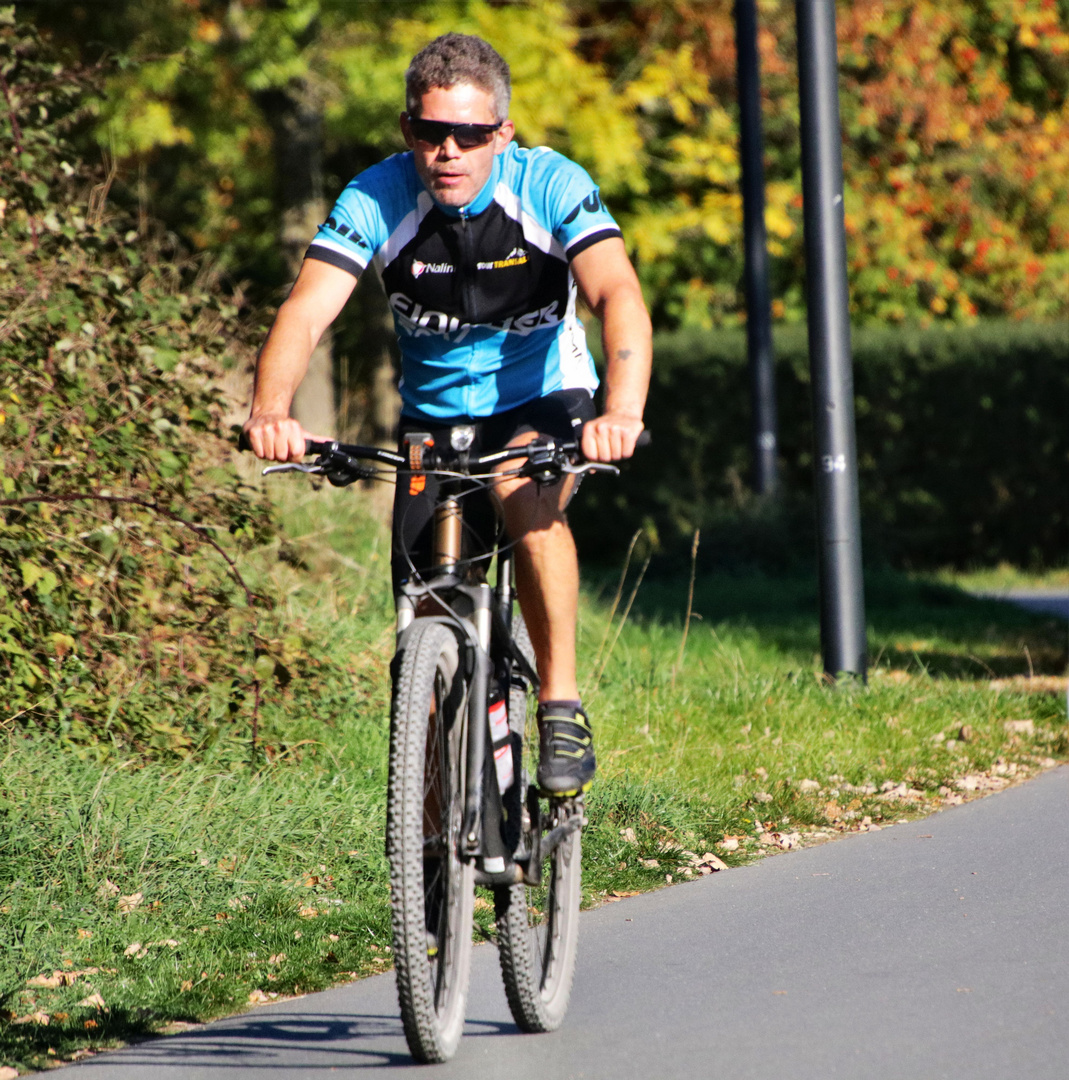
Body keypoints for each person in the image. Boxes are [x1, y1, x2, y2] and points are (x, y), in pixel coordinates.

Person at [244, 33, 651, 796]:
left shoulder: (550, 185)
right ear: (408, 131)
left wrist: (620, 412)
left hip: (543, 400)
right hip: (432, 419)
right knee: (422, 622)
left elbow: (616, 295)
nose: (448, 151)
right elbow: (304, 314)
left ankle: (560, 701)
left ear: (502, 133)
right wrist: (271, 410)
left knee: (516, 485)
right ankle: (431, 844)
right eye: (431, 132)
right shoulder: (375, 196)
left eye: (469, 134)